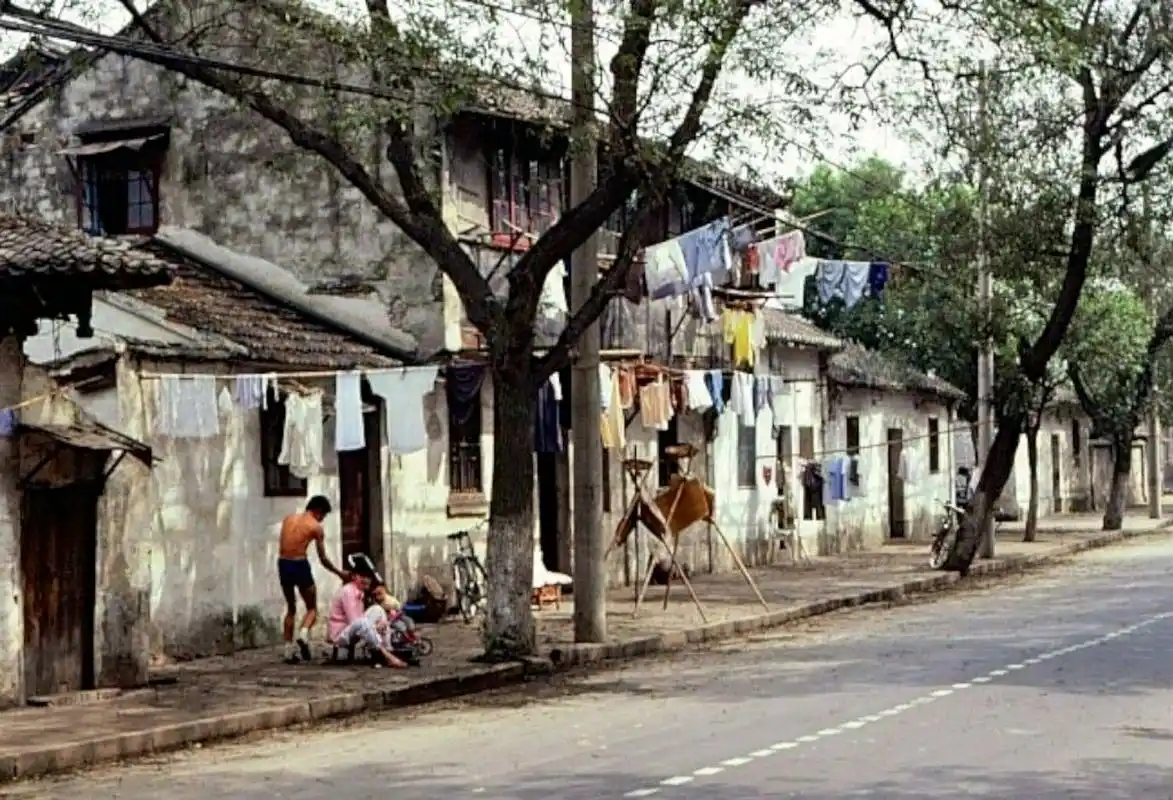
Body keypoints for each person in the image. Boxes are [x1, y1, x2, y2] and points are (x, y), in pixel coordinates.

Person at [277, 495, 345, 664]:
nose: (322, 520)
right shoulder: (315, 527)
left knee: (291, 608)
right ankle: (304, 633)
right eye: (323, 516)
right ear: (319, 511)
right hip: (299, 564)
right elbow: (323, 558)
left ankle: (287, 650)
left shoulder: (288, 519)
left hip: (283, 563)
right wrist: (339, 572)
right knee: (312, 609)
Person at [328, 573, 406, 668]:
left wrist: (379, 624)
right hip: (340, 634)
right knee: (363, 623)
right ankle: (387, 656)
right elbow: (355, 621)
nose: (367, 580)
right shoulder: (348, 592)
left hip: (353, 628)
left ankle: (387, 649)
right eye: (363, 576)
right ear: (354, 577)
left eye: (368, 577)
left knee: (378, 609)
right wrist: (375, 627)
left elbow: (360, 619)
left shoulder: (359, 592)